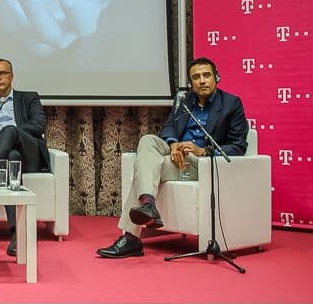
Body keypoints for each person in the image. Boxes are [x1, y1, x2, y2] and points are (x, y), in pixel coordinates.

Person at [96, 57, 249, 259]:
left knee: (144, 171)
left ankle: (132, 238)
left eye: (206, 75)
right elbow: (168, 126)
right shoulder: (185, 102)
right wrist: (173, 144)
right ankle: (148, 204)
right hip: (175, 158)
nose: (202, 81)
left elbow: (238, 146)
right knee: (149, 141)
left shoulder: (231, 104)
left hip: (201, 162)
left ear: (216, 77)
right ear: (191, 83)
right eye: (196, 77)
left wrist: (202, 151)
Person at [0, 58, 50, 257]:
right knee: (10, 157)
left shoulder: (29, 98)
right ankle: (17, 234)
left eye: (3, 73)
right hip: (5, 157)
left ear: (12, 76)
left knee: (9, 130)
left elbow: (39, 125)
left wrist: (7, 135)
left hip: (29, 152)